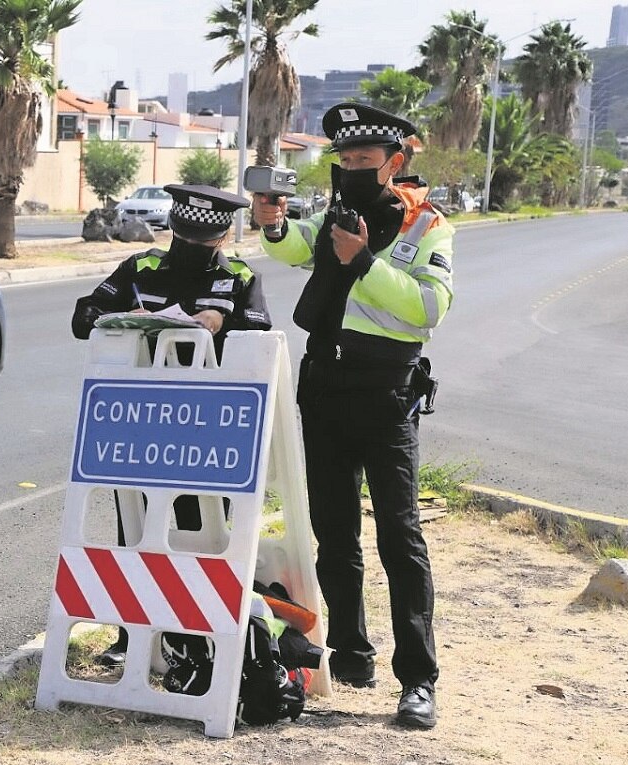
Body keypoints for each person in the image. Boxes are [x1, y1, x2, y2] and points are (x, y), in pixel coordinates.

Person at [251, 102, 455, 729]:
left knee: (400, 535)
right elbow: (290, 250)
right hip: (325, 386)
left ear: (395, 163)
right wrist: (274, 222)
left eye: (365, 162)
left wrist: (364, 263)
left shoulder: (428, 227)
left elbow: (429, 308)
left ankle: (418, 680)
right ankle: (349, 651)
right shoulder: (335, 213)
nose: (352, 170)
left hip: (387, 392)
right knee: (335, 532)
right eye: (344, 161)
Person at [72, 184, 273, 668]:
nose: (190, 246)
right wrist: (125, 315)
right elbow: (84, 317)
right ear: (174, 230)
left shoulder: (239, 278)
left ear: (221, 237)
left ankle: (195, 638)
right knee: (136, 527)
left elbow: (263, 337)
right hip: (143, 425)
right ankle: (132, 636)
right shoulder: (140, 269)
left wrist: (221, 324)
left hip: (209, 431)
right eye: (185, 236)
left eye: (198, 241)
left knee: (202, 530)